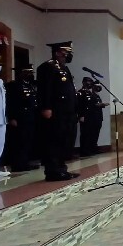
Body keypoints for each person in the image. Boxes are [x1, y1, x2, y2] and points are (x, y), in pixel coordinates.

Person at [36, 41, 79, 181]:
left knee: (64, 140)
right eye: (65, 52)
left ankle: (62, 169)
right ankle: (53, 171)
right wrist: (46, 107)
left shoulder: (63, 68)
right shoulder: (47, 67)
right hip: (55, 110)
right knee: (53, 140)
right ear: (57, 52)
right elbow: (45, 89)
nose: (68, 54)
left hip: (67, 111)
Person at [5, 64, 39, 171]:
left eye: (31, 73)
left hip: (30, 116)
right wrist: (12, 117)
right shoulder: (14, 85)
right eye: (27, 72)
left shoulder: (30, 85)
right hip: (19, 117)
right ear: (21, 73)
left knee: (28, 141)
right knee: (19, 142)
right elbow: (10, 103)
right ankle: (18, 164)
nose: (30, 75)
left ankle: (25, 162)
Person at [77, 77, 108, 156]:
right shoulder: (81, 92)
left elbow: (92, 104)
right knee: (85, 134)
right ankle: (84, 151)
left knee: (93, 134)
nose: (90, 84)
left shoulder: (91, 93)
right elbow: (80, 105)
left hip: (93, 117)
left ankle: (92, 149)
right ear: (83, 82)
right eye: (88, 82)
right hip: (86, 116)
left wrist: (100, 105)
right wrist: (81, 115)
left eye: (90, 82)